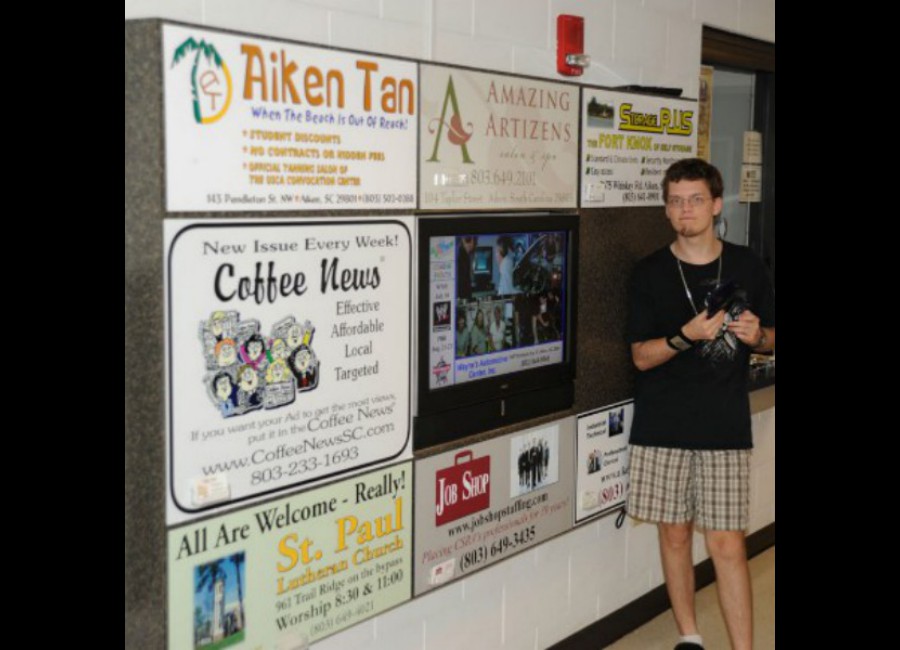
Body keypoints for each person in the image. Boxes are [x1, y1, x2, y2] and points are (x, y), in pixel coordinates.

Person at [625, 158, 775, 650]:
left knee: (728, 545)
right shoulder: (648, 273)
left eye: (695, 199)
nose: (685, 209)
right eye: (675, 201)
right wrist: (684, 337)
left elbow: (773, 337)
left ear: (715, 205)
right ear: (666, 210)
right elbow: (641, 358)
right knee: (673, 536)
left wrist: (760, 336)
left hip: (724, 423)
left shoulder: (748, 264)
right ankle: (689, 636)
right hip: (662, 424)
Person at [456, 236, 476, 300]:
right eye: (468, 240)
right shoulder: (462, 256)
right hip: (462, 297)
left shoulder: (465, 255)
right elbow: (462, 283)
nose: (472, 244)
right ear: (462, 241)